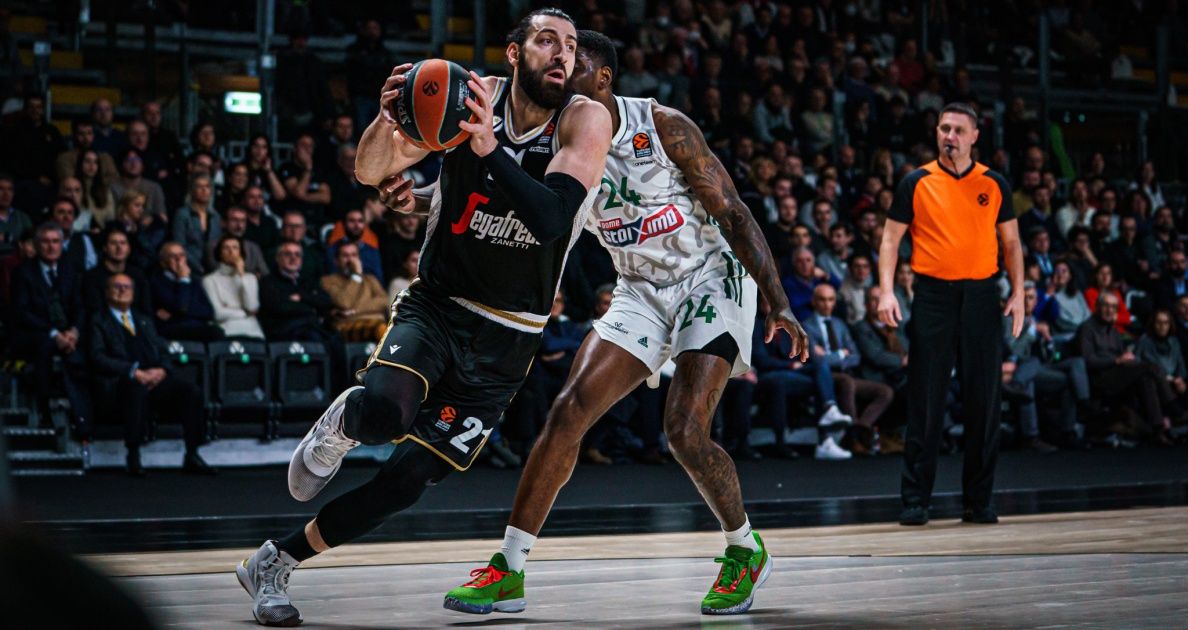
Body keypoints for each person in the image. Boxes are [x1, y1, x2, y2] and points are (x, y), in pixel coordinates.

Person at [235, 9, 612, 626]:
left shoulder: (584, 118)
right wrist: (389, 124)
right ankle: (347, 420)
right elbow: (369, 171)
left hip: (510, 337)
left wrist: (485, 150)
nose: (562, 55)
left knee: (406, 482)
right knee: (386, 413)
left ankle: (274, 561)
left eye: (570, 46)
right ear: (514, 53)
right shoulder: (467, 98)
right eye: (547, 41)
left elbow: (550, 219)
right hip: (440, 302)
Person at [444, 29, 807, 617]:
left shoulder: (662, 126)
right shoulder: (558, 138)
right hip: (638, 287)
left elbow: (733, 211)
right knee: (567, 412)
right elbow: (502, 201)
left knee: (684, 429)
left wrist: (778, 300)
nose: (562, 73)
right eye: (555, 61)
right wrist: (419, 198)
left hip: (708, 277)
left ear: (604, 78)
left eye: (574, 64)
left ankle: (745, 548)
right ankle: (507, 568)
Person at [877, 102, 1025, 526]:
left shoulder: (994, 183)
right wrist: (886, 291)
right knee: (925, 398)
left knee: (984, 401)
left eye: (959, 130)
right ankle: (916, 500)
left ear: (975, 136)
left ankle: (979, 501)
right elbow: (890, 240)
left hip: (982, 296)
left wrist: (1019, 292)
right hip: (933, 296)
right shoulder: (916, 181)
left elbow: (1011, 243)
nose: (950, 136)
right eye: (945, 129)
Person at [88, 273, 213, 476]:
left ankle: (192, 453)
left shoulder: (144, 319)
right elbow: (97, 357)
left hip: (153, 379)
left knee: (190, 391)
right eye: (117, 286)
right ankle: (133, 455)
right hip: (120, 382)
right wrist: (132, 371)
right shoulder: (98, 320)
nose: (122, 290)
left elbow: (163, 351)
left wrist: (162, 370)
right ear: (107, 292)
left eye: (127, 287)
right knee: (135, 388)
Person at [9, 222, 92, 434]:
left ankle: (85, 417)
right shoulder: (23, 272)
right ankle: (44, 412)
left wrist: (74, 332)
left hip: (68, 333)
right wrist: (54, 334)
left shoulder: (70, 270)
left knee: (89, 347)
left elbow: (80, 307)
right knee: (45, 346)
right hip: (36, 333)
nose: (51, 246)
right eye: (45, 242)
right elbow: (22, 313)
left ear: (62, 244)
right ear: (37, 245)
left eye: (55, 241)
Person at [804, 284, 893, 455]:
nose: (827, 304)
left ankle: (858, 428)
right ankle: (855, 439)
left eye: (831, 300)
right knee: (847, 382)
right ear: (814, 301)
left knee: (885, 392)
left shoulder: (840, 324)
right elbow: (816, 359)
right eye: (822, 300)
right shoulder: (807, 326)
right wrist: (841, 354)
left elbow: (856, 356)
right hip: (825, 376)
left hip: (846, 373)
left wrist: (833, 357)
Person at [1079, 292, 1177, 444]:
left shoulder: (1114, 331)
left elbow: (1121, 357)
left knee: (1146, 379)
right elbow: (1087, 360)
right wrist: (1116, 360)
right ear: (1097, 307)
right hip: (1100, 378)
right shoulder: (1087, 328)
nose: (1110, 310)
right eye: (1106, 306)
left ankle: (1158, 429)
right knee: (1151, 367)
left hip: (1118, 375)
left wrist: (1127, 358)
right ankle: (1174, 407)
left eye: (1113, 307)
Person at [148, 242, 223, 342]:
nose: (179, 260)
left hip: (197, 327)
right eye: (173, 256)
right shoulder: (157, 282)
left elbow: (209, 312)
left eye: (182, 255)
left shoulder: (194, 280)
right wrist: (183, 280)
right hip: (173, 329)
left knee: (217, 332)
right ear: (163, 262)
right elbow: (181, 307)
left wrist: (175, 315)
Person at [320, 241, 389, 342]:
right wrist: (356, 276)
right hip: (346, 326)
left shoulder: (370, 279)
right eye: (345, 256)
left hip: (376, 323)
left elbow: (384, 301)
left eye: (354, 255)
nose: (350, 260)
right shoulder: (328, 281)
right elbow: (344, 303)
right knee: (384, 331)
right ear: (336, 261)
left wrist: (354, 311)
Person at [201, 236, 264, 339]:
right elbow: (217, 313)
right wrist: (245, 313)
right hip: (226, 330)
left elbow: (252, 307)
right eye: (226, 248)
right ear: (220, 253)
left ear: (240, 252)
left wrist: (242, 275)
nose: (231, 251)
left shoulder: (250, 278)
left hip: (253, 331)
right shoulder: (209, 280)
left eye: (235, 248)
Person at [172, 174, 220, 274]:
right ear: (192, 191)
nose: (204, 190)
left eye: (207, 186)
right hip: (188, 267)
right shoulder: (182, 214)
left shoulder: (216, 216)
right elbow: (179, 245)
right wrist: (198, 268)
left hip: (212, 268)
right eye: (199, 186)